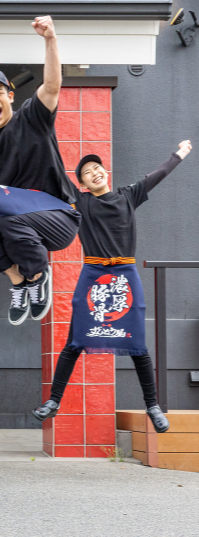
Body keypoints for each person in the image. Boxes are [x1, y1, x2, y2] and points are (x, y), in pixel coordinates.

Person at [32, 142, 192, 433]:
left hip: (124, 275)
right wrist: (38, 141)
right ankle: (53, 401)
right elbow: (53, 173)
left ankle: (153, 406)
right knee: (74, 342)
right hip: (93, 274)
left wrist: (179, 154)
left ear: (106, 172)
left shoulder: (128, 195)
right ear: (82, 184)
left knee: (137, 345)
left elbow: (158, 174)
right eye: (87, 172)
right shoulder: (81, 202)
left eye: (97, 168)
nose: (94, 172)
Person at [0, 16, 81, 325]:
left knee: (6, 210)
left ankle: (38, 275)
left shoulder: (31, 119)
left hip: (58, 216)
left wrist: (50, 39)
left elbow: (51, 85)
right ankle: (19, 281)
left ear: (10, 97)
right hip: (15, 223)